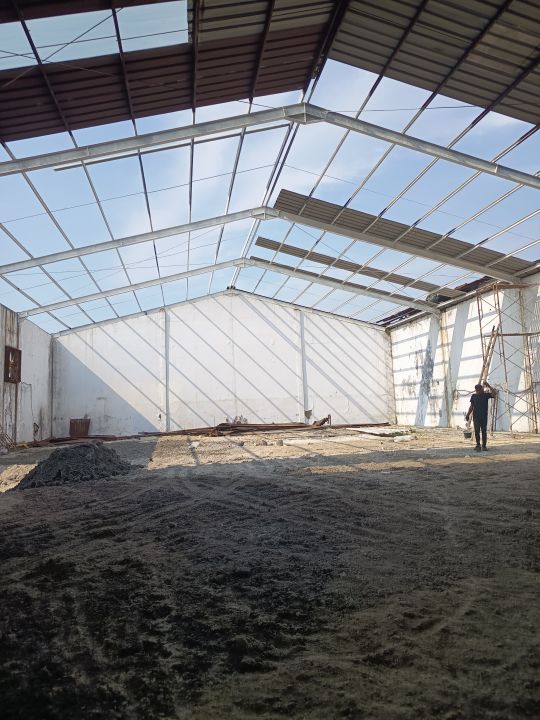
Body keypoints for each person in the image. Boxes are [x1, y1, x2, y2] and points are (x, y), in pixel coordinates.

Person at [465, 380, 496, 452]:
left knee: (484, 431)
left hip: (484, 416)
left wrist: (488, 385)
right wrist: (468, 415)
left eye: (482, 389)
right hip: (476, 417)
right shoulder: (474, 396)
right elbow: (471, 407)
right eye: (481, 389)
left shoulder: (485, 395)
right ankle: (478, 445)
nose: (482, 390)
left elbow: (494, 394)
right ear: (477, 390)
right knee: (477, 431)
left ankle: (484, 446)